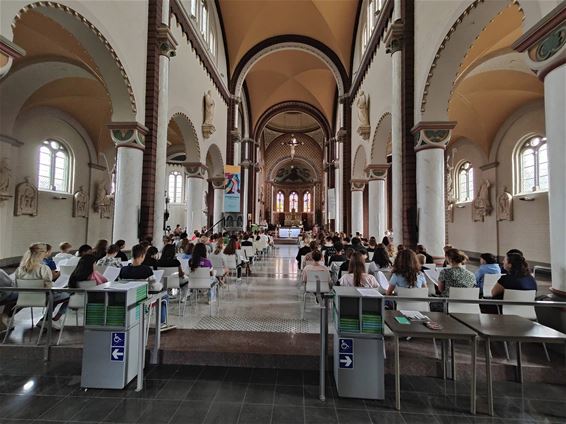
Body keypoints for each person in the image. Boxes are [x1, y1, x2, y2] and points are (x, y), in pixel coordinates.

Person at [15, 243, 69, 330]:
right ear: (41, 254)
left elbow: (17, 285)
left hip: (23, 298)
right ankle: (48, 319)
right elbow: (49, 288)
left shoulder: (19, 269)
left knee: (54, 297)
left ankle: (46, 320)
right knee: (68, 295)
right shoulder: (44, 268)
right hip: (42, 298)